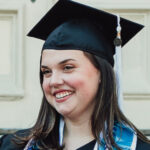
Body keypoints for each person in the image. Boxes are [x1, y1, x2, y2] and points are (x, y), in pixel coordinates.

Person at [0, 0, 150, 150]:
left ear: (101, 74)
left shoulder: (136, 147)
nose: (54, 81)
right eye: (46, 71)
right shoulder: (14, 145)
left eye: (67, 67)